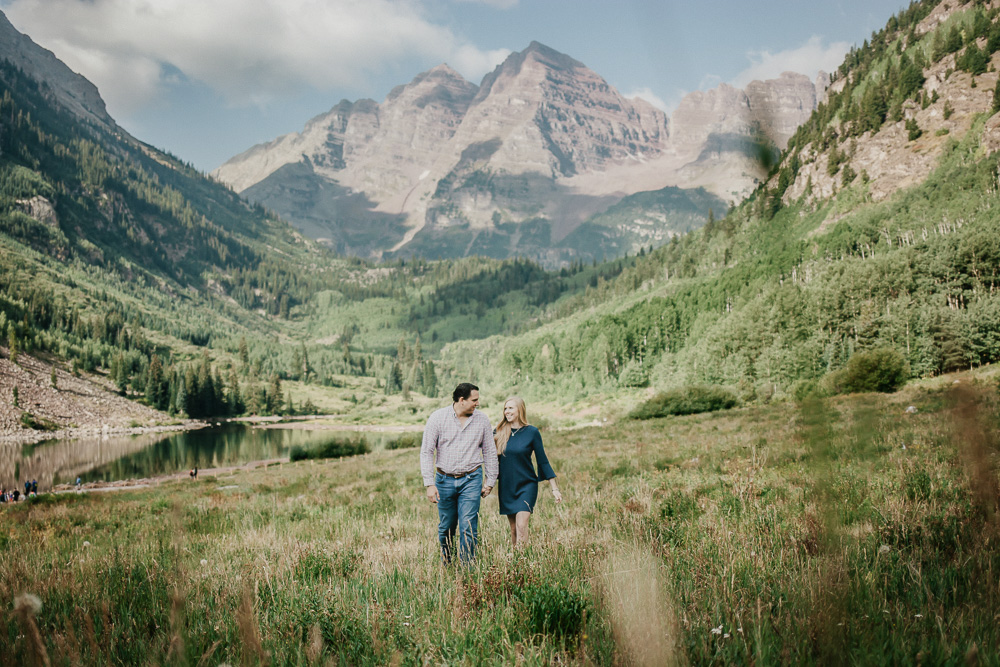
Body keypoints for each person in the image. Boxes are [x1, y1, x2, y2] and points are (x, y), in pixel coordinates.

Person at [420, 382, 498, 564]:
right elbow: (427, 451)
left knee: (468, 527)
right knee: (446, 527)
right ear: (461, 400)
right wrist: (429, 484)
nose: (477, 403)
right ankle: (447, 561)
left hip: (471, 479)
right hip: (444, 480)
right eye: (474, 400)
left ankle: (467, 569)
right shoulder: (437, 418)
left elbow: (489, 451)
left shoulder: (482, 420)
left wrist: (490, 480)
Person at [495, 396, 561, 547]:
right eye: (505, 408)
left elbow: (542, 461)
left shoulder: (532, 432)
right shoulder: (499, 432)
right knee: (513, 530)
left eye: (511, 408)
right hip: (507, 487)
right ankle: (517, 564)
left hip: (527, 485)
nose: (507, 411)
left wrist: (554, 488)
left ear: (520, 409)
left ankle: (522, 563)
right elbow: (492, 460)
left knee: (521, 526)